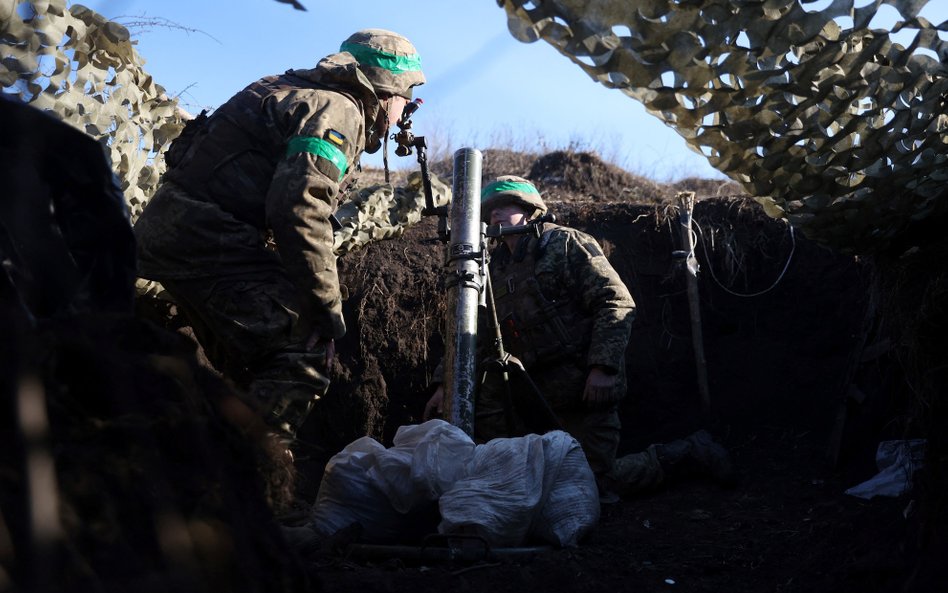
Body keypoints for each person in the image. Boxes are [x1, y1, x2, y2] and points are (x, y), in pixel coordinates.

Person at [134, 29, 425, 440]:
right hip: (207, 243)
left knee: (249, 367)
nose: (406, 107)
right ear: (388, 89)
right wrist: (326, 313)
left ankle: (198, 459)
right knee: (300, 357)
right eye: (407, 94)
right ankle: (254, 479)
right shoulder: (338, 111)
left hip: (176, 235)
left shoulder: (288, 87)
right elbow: (300, 210)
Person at [424, 175, 733, 499]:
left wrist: (603, 367)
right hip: (531, 395)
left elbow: (614, 302)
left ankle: (687, 453)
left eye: (505, 207)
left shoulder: (565, 244)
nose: (496, 216)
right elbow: (475, 330)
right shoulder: (492, 267)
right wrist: (444, 383)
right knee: (522, 475)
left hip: (584, 388)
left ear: (529, 210)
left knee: (594, 483)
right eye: (490, 211)